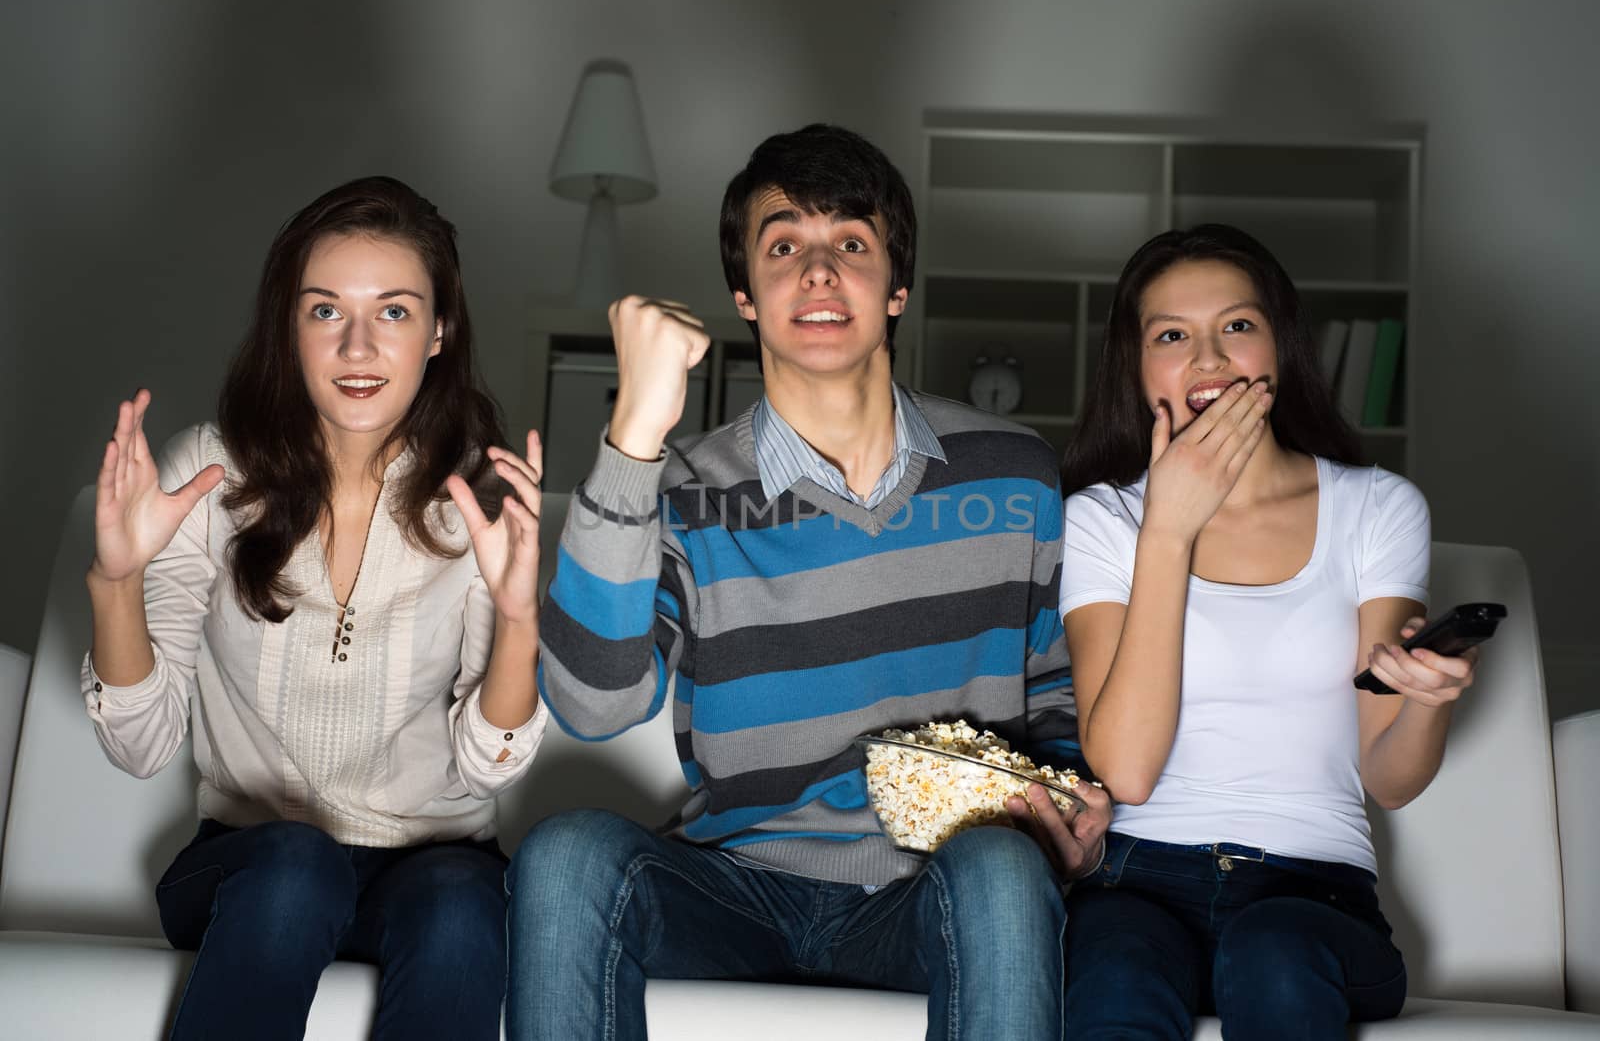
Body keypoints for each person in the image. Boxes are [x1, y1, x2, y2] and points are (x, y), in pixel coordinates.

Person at [506, 124, 1111, 1041]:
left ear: (896, 286)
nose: (819, 272)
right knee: (566, 855)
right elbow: (591, 704)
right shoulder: (682, 489)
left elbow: (1060, 692)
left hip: (935, 894)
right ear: (745, 296)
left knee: (999, 868)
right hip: (733, 887)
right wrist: (635, 432)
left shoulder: (1013, 475)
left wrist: (1068, 800)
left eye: (852, 245)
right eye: (785, 245)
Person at [82, 176, 547, 1041]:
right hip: (250, 867)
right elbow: (140, 745)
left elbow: (489, 768)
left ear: (440, 330)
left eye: (396, 312)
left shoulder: (474, 500)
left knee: (459, 907)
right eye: (326, 311)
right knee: (299, 867)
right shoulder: (212, 478)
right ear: (289, 329)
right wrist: (116, 581)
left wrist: (520, 618)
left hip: (437, 868)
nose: (359, 346)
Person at [1056, 223, 1478, 1040]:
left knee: (1272, 953)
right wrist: (1168, 531)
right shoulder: (1103, 519)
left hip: (1314, 897)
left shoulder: (1378, 508)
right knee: (1112, 976)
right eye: (1172, 336)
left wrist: (1429, 701)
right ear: (1138, 368)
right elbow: (1128, 772)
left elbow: (1387, 779)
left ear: (1280, 348)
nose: (1209, 360)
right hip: (1137, 885)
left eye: (1238, 327)